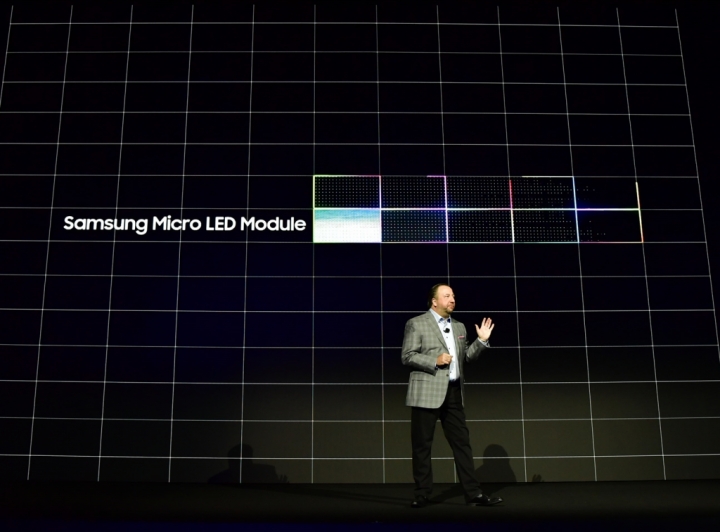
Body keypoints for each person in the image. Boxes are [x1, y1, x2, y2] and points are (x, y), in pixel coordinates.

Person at [401, 283, 503, 508]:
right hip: (427, 392)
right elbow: (407, 356)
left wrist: (481, 341)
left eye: (453, 295)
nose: (452, 299)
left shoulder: (459, 326)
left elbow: (466, 357)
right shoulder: (417, 323)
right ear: (434, 301)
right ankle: (422, 494)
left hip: (454, 392)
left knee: (462, 444)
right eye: (447, 296)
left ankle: (473, 494)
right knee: (422, 445)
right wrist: (434, 360)